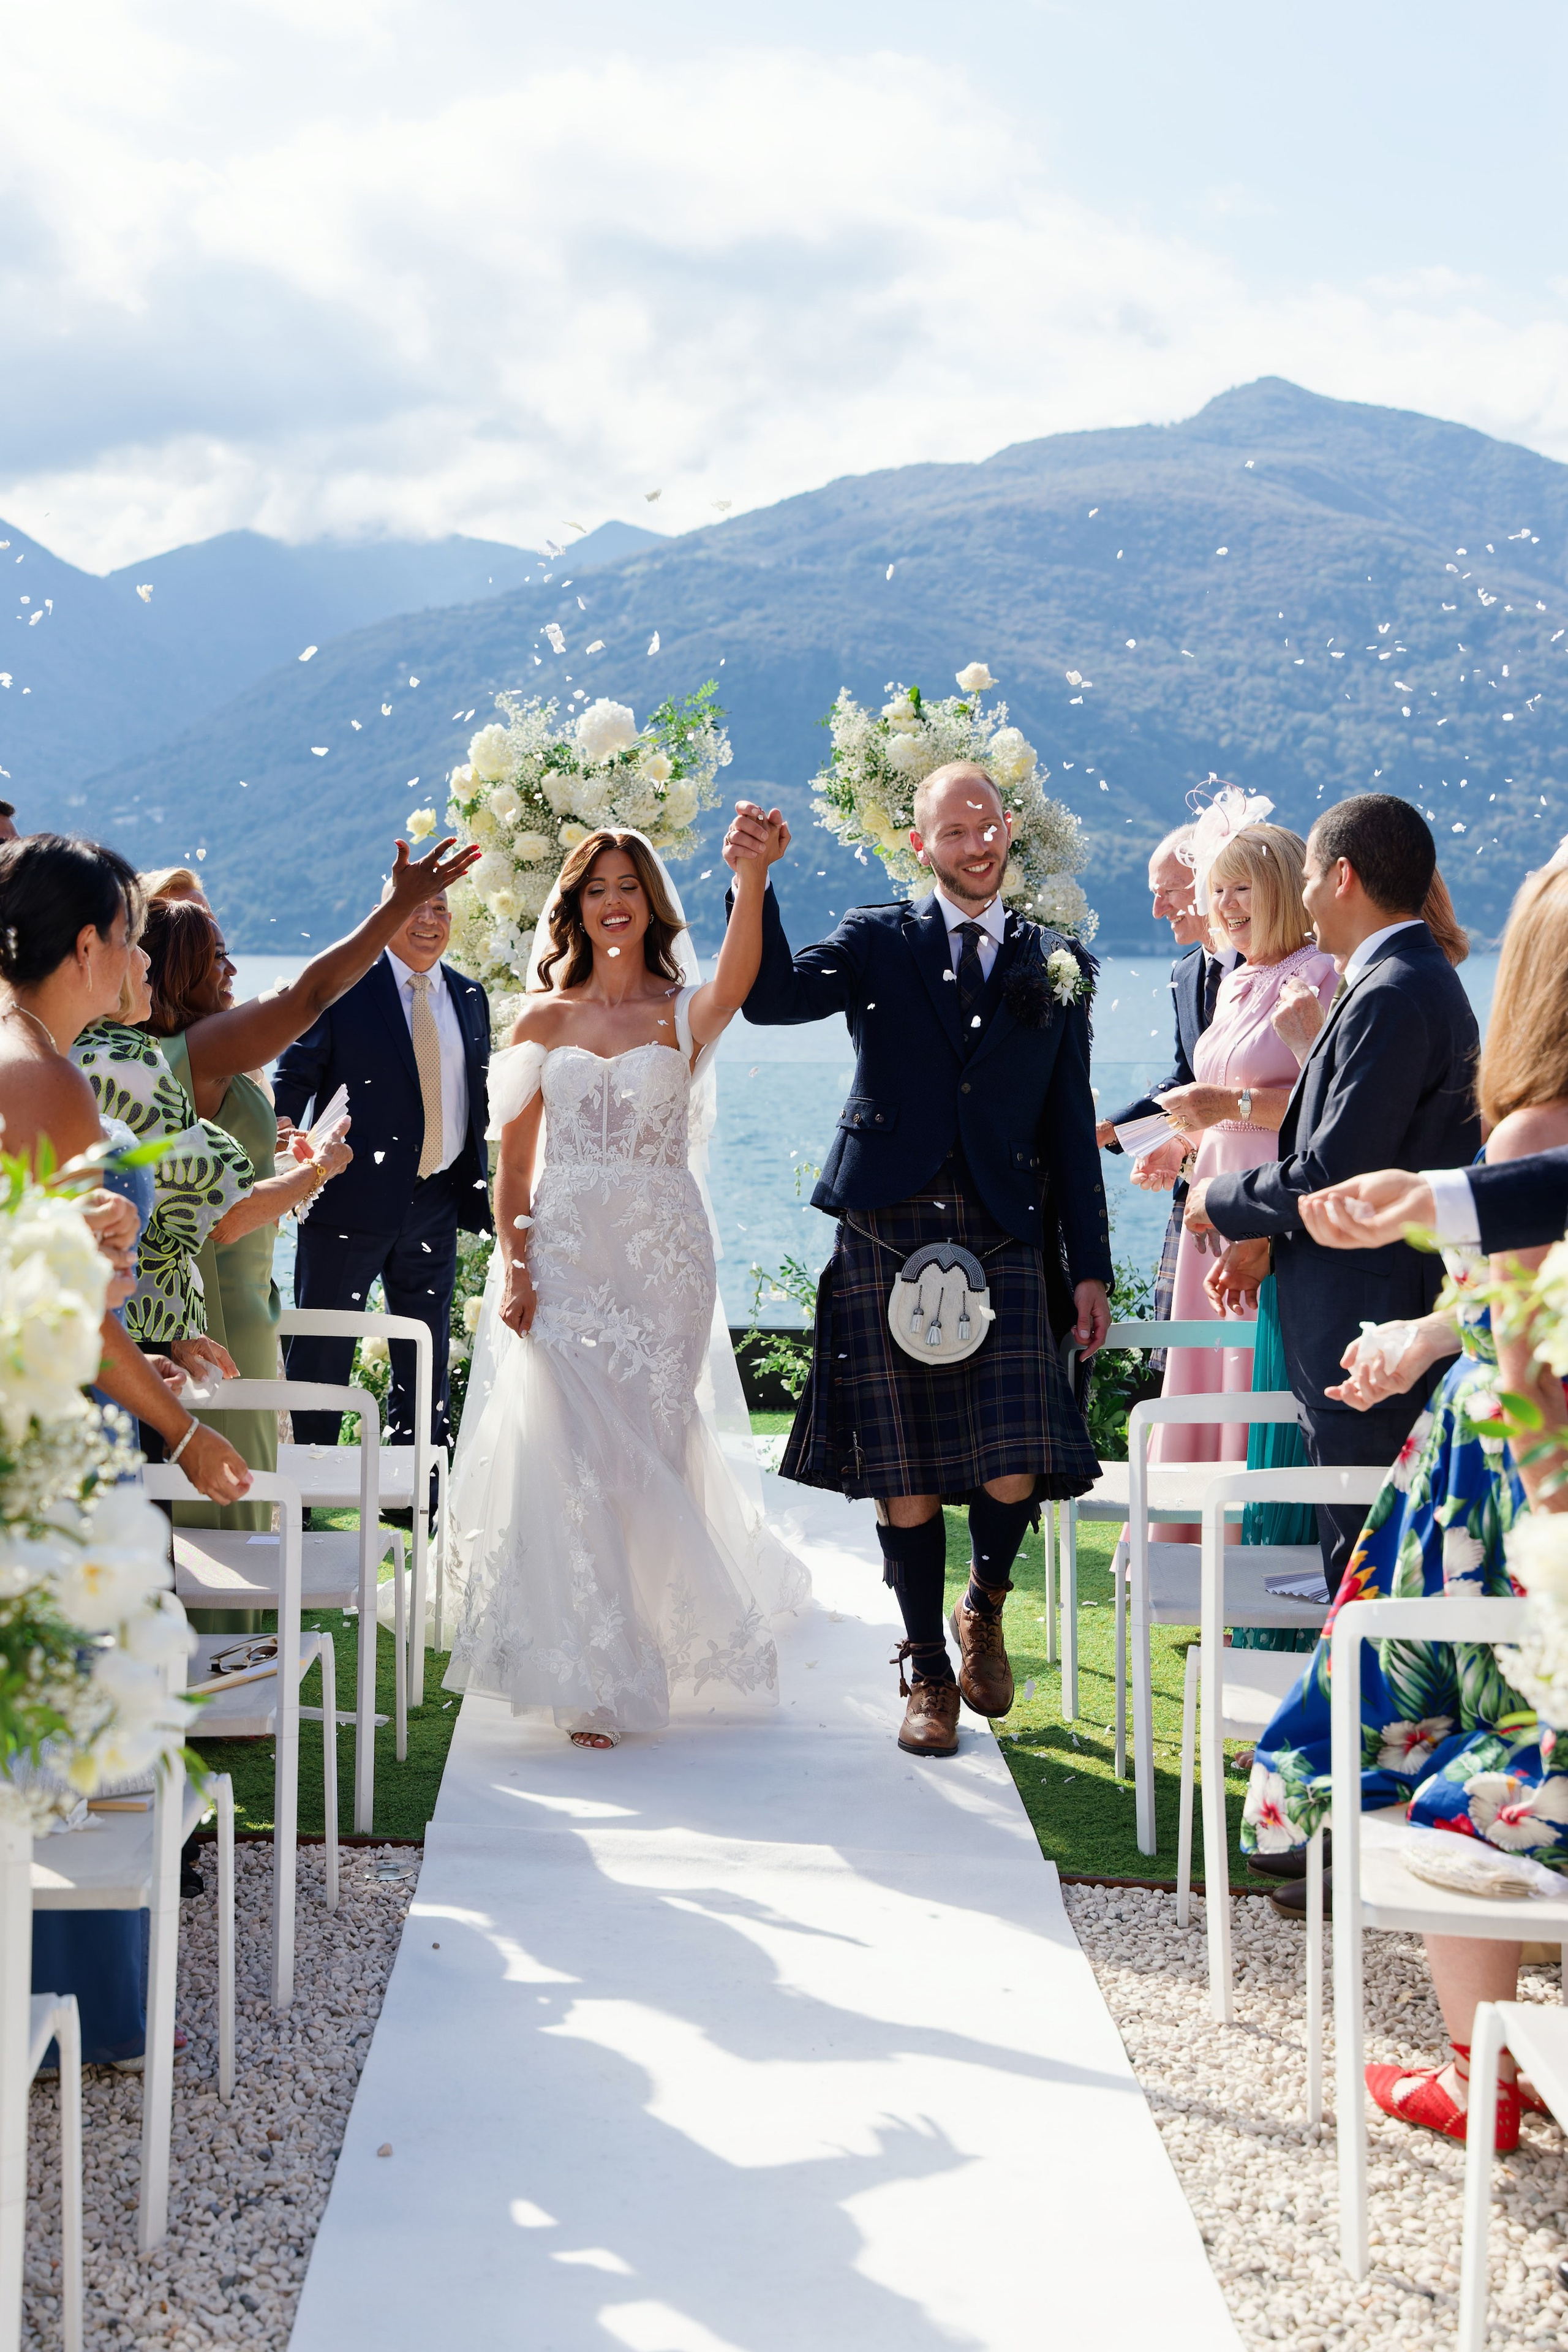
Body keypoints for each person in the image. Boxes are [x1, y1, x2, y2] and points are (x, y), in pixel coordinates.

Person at [1242, 857, 1568, 2147]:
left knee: (1444, 1734)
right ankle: (1492, 2063)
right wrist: (1431, 1337)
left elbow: (1529, 1365)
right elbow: (1513, 1311)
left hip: (1502, 1484)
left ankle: (1477, 2072)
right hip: (1503, 1455)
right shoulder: (1531, 1142)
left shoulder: (1531, 1131)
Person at [729, 767, 1110, 1759]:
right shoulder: (876, 941)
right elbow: (769, 1002)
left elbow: (1071, 1129)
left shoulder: (1058, 960)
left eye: (988, 826)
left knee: (1016, 1460)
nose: (977, 845)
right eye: (955, 830)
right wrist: (756, 884)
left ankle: (982, 1604)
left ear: (1011, 829)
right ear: (919, 844)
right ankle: (928, 1673)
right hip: (886, 1225)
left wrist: (1092, 1268)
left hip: (1008, 1231)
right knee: (902, 1466)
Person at [443, 825, 809, 1748]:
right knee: (570, 1453)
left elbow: (740, 977)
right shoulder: (540, 1020)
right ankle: (598, 1674)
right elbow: (513, 1173)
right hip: (564, 1256)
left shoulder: (683, 1012)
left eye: (629, 887)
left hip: (663, 1261)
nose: (613, 901)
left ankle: (645, 1635)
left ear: (650, 905)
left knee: (645, 1453)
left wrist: (751, 874)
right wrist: (518, 1269)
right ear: (574, 907)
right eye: (596, 887)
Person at [1186, 795, 1480, 1597]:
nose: (1306, 891)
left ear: (1342, 877)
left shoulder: (1390, 990)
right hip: (1363, 1304)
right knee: (1363, 1556)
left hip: (1369, 1312)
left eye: (1311, 874)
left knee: (1372, 1564)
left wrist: (1222, 1197)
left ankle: (1362, 1714)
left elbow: (1334, 1167)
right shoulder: (1397, 978)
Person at [0, 835, 252, 1506]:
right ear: (86, 948)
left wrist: (141, 1362)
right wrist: (185, 1433)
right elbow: (73, 1304)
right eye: (126, 938)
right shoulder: (47, 1080)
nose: (138, 958)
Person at [1137, 820, 1336, 1506]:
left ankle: (1242, 1546)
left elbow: (1330, 1113)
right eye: (1216, 889)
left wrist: (1225, 1103)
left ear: (1283, 886)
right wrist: (1180, 1142)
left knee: (1250, 1374)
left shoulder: (1319, 974)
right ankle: (1191, 1544)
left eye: (1241, 887)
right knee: (1203, 1369)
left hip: (1268, 1218)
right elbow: (1224, 1103)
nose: (1224, 905)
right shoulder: (1234, 981)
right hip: (1212, 1212)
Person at [273, 881, 492, 1479]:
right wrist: (282, 1144)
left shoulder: (469, 995)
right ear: (384, 913)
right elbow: (292, 1077)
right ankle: (306, 1492)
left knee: (425, 1350)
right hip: (346, 1199)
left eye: (441, 909)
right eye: (416, 907)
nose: (430, 920)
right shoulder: (345, 987)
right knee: (322, 1350)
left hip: (436, 1199)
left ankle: (415, 1489)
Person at [1096, 823, 1220, 1338]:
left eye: (1167, 892)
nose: (1158, 909)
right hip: (1195, 1191)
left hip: (1251, 1193)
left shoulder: (1279, 964)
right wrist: (1108, 1133)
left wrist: (1177, 1138)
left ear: (1207, 880)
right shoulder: (1188, 971)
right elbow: (1185, 1078)